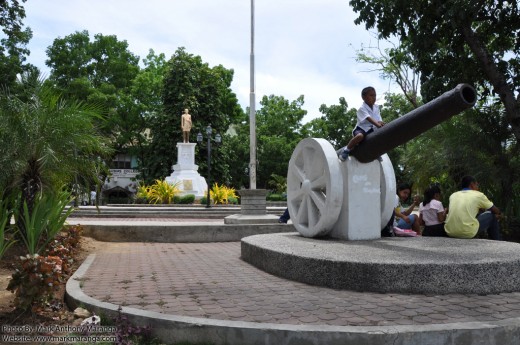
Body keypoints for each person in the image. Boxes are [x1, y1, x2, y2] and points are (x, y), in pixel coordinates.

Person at [444, 176, 502, 240]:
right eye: (477, 185)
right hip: (467, 232)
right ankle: (497, 242)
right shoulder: (478, 195)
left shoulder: (453, 195)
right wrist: (499, 213)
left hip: (450, 232)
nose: (478, 188)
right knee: (492, 215)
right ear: (472, 185)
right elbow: (495, 210)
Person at [338, 86, 385, 161]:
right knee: (360, 136)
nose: (374, 97)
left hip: (372, 128)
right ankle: (347, 149)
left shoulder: (376, 107)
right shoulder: (362, 108)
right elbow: (369, 118)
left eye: (375, 95)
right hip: (361, 129)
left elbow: (378, 119)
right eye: (371, 95)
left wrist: (381, 123)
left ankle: (375, 152)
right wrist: (378, 124)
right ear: (364, 97)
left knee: (379, 136)